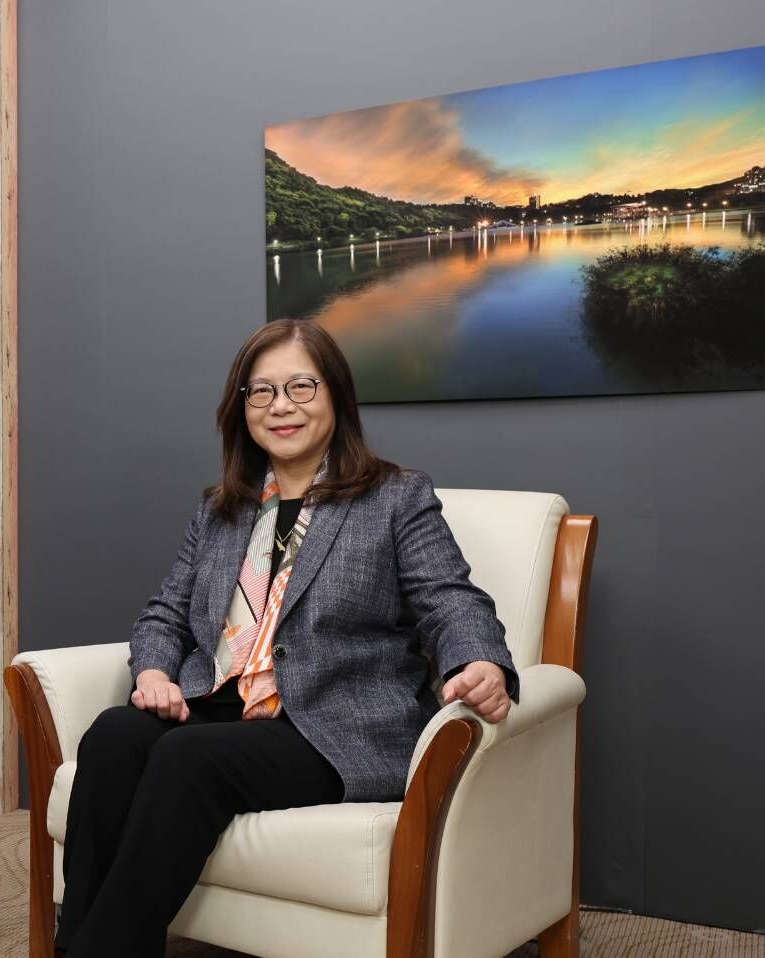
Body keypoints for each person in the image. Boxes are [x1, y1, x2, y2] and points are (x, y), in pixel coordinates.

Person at [54, 319, 517, 957]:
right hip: (222, 702)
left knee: (188, 759)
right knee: (114, 734)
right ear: (241, 407)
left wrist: (480, 660)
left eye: (302, 386)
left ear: (336, 395)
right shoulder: (221, 509)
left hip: (329, 724)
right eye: (262, 391)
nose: (281, 406)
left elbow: (450, 597)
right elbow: (164, 613)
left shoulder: (396, 498)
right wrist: (153, 674)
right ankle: (74, 942)